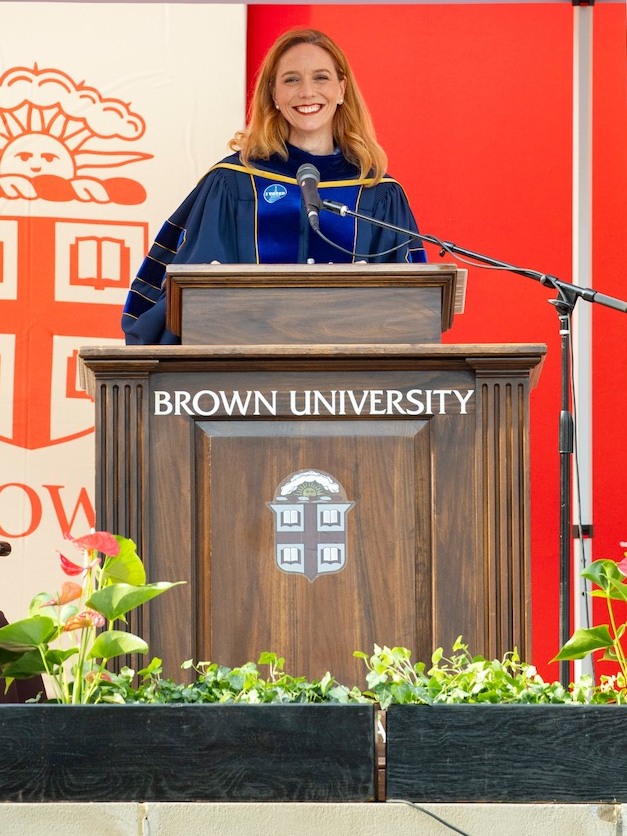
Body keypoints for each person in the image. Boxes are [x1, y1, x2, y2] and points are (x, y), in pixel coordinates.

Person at [122, 27, 427, 345]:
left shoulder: (377, 192)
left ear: (341, 89)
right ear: (273, 94)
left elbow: (410, 309)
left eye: (321, 78)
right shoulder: (234, 182)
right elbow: (190, 293)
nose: (307, 92)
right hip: (243, 379)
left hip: (349, 383)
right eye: (291, 79)